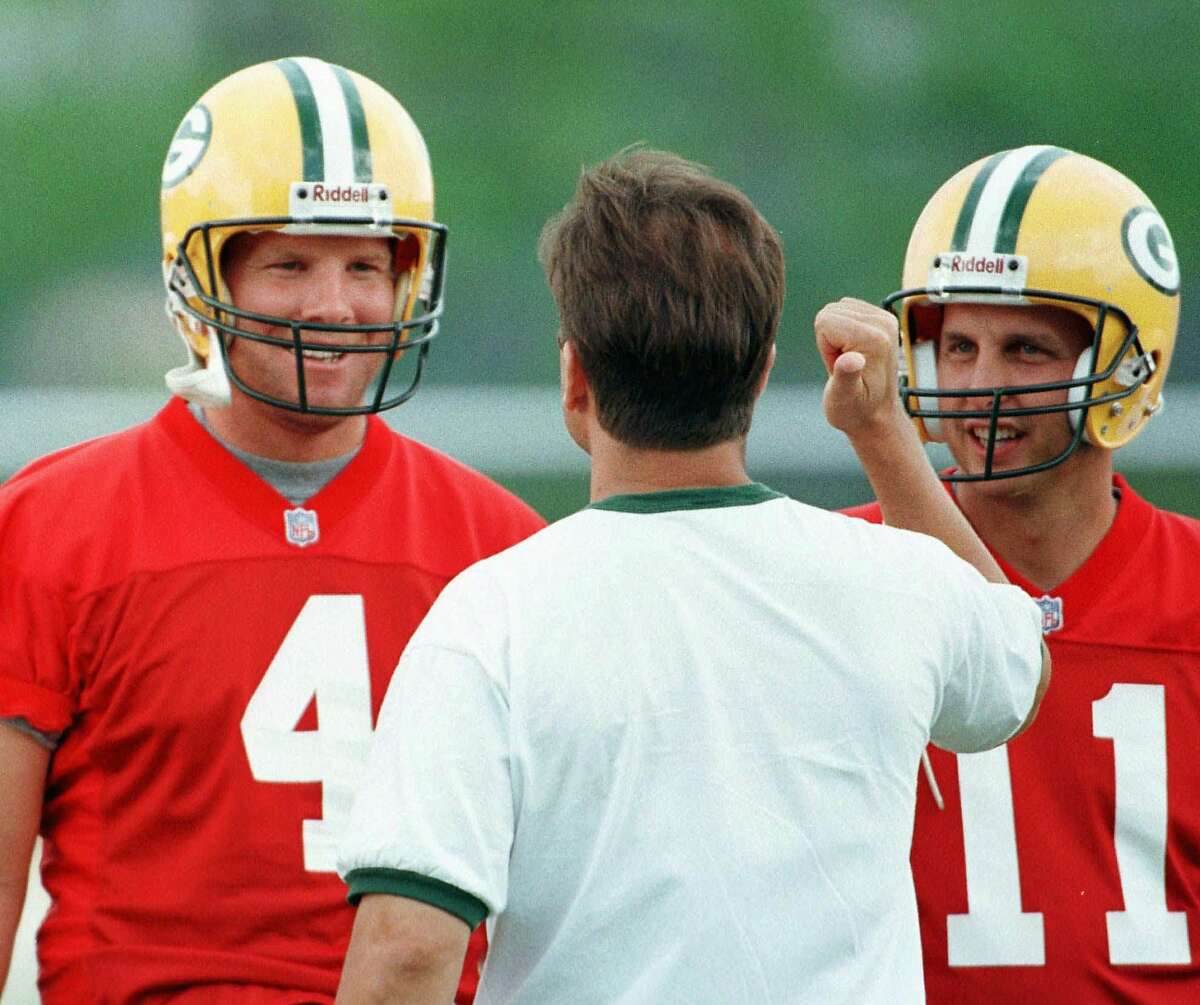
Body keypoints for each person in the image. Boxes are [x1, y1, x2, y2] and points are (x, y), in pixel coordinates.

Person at [332, 149, 1049, 1004]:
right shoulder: (898, 583)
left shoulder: (492, 617)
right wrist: (883, 431)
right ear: (759, 372)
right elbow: (1019, 669)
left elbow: (408, 952)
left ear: (575, 377)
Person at [0, 57, 543, 1003]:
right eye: (290, 263)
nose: (333, 305)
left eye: (366, 265)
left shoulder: (500, 545)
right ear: (198, 279)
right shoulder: (53, 528)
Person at [844, 145, 1200, 1000]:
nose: (978, 384)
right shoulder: (841, 574)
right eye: (957, 344)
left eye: (1027, 349)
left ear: (1129, 365)